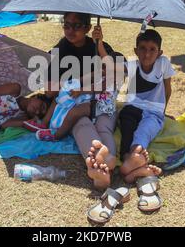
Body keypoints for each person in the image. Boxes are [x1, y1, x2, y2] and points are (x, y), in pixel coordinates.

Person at [43, 12, 121, 190]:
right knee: (81, 123)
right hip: (75, 105)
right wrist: (82, 81)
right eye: (66, 25)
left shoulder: (99, 47)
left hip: (101, 103)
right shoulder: (59, 51)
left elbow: (112, 73)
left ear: (87, 27)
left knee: (104, 127)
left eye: (76, 26)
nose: (70, 30)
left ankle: (106, 161)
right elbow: (49, 91)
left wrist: (99, 43)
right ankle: (99, 164)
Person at [118, 30, 172, 185]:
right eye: (142, 48)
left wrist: (163, 111)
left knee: (145, 130)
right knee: (127, 126)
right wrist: (99, 42)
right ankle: (130, 164)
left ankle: (134, 156)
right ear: (136, 50)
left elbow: (168, 89)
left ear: (159, 52)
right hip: (132, 107)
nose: (147, 54)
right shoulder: (133, 65)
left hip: (154, 111)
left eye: (152, 49)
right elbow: (109, 67)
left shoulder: (163, 64)